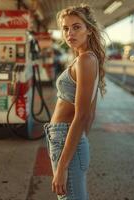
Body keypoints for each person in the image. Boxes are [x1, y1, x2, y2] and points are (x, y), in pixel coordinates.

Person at [43, 4, 106, 200]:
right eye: (65, 28)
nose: (70, 33)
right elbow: (90, 114)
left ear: (89, 30)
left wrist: (62, 166)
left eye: (76, 27)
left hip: (65, 138)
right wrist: (80, 140)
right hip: (66, 138)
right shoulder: (82, 58)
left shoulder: (85, 60)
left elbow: (84, 115)